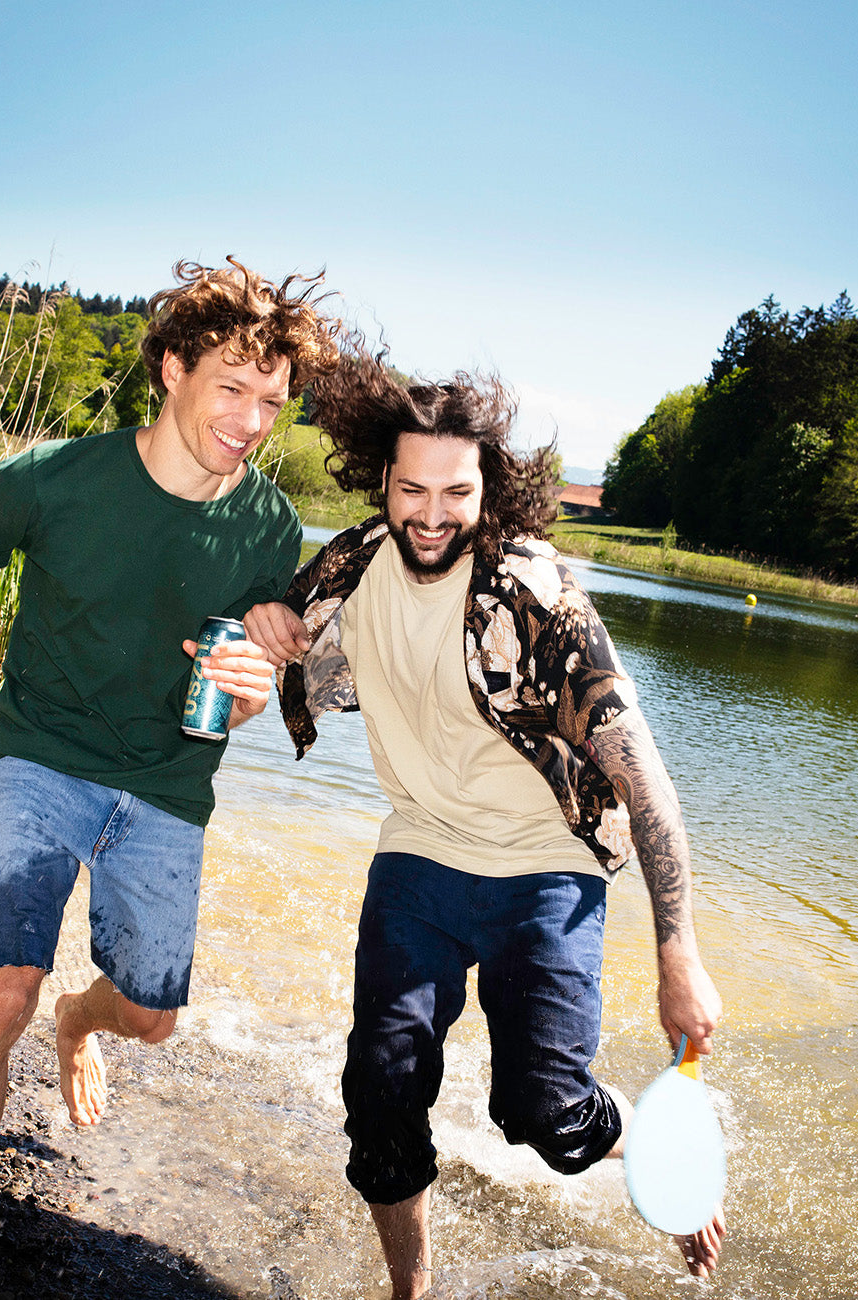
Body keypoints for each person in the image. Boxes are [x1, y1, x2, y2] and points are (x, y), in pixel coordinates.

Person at [0, 258, 342, 1300]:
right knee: (2, 992)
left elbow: (240, 688)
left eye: (271, 400)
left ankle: (83, 1022)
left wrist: (249, 683)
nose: (250, 417)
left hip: (170, 788)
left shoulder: (269, 527)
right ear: (173, 367)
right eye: (231, 385)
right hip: (42, 757)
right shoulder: (56, 478)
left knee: (151, 1016)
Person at [243, 356, 725, 1298]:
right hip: (420, 856)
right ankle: (411, 1291)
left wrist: (680, 952)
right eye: (410, 487)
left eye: (455, 491)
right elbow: (272, 676)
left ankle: (649, 1133)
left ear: (487, 488)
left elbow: (647, 784)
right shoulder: (348, 568)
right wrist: (263, 635)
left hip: (546, 866)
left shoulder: (538, 597)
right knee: (379, 1102)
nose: (430, 513)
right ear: (380, 479)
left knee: (542, 1117)